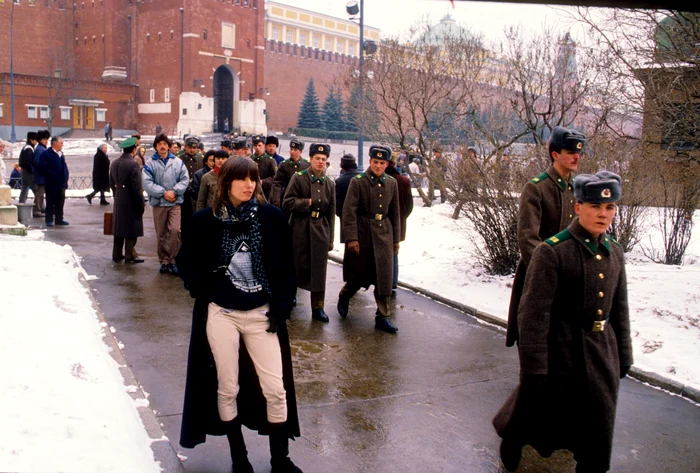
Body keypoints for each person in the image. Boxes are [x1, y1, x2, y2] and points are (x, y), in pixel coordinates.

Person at [494, 171, 632, 473]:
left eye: (609, 207)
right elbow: (533, 314)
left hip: (602, 352)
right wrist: (533, 366)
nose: (603, 214)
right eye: (595, 206)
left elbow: (619, 308)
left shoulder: (615, 252)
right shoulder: (553, 251)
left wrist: (624, 353)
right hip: (561, 352)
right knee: (539, 409)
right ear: (578, 207)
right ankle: (514, 436)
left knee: (599, 424)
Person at [176, 157, 303, 473]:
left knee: (275, 388)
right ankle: (239, 458)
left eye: (253, 179)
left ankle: (280, 459)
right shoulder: (205, 221)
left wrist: (281, 307)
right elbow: (186, 261)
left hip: (262, 314)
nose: (249, 185)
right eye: (242, 179)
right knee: (227, 386)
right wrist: (203, 290)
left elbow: (287, 267)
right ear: (226, 183)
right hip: (222, 314)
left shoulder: (271, 217)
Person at [506, 126, 585, 348]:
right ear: (555, 154)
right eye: (570, 152)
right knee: (536, 341)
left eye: (578, 152)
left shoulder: (578, 189)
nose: (576, 157)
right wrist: (549, 273)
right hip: (539, 275)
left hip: (570, 278)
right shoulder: (537, 188)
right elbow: (528, 238)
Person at [337, 145, 401, 334]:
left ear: (387, 164)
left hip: (384, 234)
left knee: (384, 277)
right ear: (370, 161)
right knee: (359, 274)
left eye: (382, 163)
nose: (378, 166)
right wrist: (351, 238)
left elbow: (395, 213)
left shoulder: (392, 183)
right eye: (375, 162)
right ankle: (345, 295)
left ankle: (383, 317)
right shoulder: (358, 182)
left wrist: (396, 239)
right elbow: (349, 212)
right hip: (363, 233)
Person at [283, 143, 336, 322]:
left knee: (319, 270)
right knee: (296, 266)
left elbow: (331, 213)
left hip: (320, 229)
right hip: (300, 228)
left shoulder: (329, 184)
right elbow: (287, 203)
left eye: (323, 159)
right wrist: (307, 203)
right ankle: (289, 298)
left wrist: (331, 238)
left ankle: (318, 307)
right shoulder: (299, 178)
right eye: (317, 158)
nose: (320, 162)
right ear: (311, 159)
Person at [142, 133, 190, 275]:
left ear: (168, 146)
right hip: (159, 204)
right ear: (156, 147)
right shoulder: (150, 164)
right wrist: (163, 193)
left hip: (174, 203)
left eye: (164, 144)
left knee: (175, 231)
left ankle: (174, 260)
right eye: (159, 144)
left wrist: (174, 192)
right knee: (161, 234)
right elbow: (147, 183)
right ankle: (164, 261)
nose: (162, 146)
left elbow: (184, 180)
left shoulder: (178, 162)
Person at [109, 137, 145, 264]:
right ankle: (130, 254)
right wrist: (140, 204)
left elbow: (111, 182)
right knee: (131, 227)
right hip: (131, 199)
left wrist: (117, 195)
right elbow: (137, 187)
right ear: (134, 149)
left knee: (119, 227)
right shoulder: (133, 164)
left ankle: (117, 253)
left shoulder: (114, 163)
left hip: (119, 198)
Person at [385, 154, 413, 291]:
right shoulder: (404, 181)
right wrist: (401, 217)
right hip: (399, 222)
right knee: (394, 252)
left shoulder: (383, 179)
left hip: (382, 222)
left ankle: (383, 282)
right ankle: (393, 281)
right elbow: (409, 206)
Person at [272, 139, 308, 208]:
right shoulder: (284, 164)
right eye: (291, 149)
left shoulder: (307, 165)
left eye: (295, 150)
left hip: (301, 200)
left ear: (301, 151)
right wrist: (276, 198)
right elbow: (277, 182)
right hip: (286, 199)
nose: (292, 152)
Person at [42, 136, 70, 227]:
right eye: (61, 143)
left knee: (60, 202)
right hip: (51, 183)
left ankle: (59, 219)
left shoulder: (60, 154)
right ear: (55, 143)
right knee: (50, 202)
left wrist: (65, 176)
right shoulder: (47, 154)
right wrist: (53, 175)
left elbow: (63, 166)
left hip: (61, 183)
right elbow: (43, 168)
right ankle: (49, 220)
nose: (62, 145)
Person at [334, 154, 359, 243]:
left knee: (349, 243)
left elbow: (337, 203)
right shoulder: (362, 179)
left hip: (345, 219)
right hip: (362, 219)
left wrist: (340, 214)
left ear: (342, 166)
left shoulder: (339, 181)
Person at [251, 135, 278, 202]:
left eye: (259, 145)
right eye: (255, 145)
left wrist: (263, 182)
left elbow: (275, 178)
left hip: (265, 193)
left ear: (264, 146)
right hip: (251, 191)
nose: (257, 148)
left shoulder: (270, 161)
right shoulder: (250, 159)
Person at [32, 130, 50, 217]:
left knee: (40, 194)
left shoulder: (41, 148)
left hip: (42, 176)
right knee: (40, 194)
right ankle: (37, 210)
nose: (46, 141)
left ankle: (39, 209)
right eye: (44, 139)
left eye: (47, 139)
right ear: (40, 139)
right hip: (41, 176)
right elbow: (38, 162)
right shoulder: (40, 149)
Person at [18, 131, 38, 203]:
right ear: (31, 140)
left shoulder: (26, 147)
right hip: (28, 172)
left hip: (24, 171)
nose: (37, 141)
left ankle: (21, 204)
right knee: (36, 190)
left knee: (24, 189)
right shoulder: (29, 149)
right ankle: (41, 207)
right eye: (36, 139)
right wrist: (33, 171)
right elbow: (28, 163)